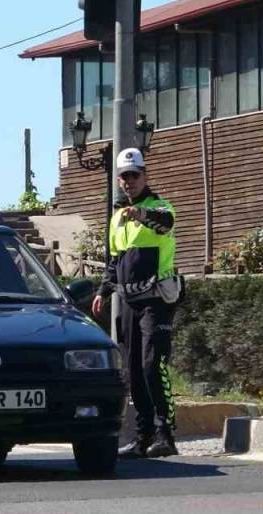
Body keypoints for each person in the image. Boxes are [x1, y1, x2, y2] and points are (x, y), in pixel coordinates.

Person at [92, 148, 181, 460]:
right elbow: (115, 260)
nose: (129, 181)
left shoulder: (159, 206)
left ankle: (165, 435)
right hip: (129, 300)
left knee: (151, 364)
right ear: (118, 180)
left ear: (145, 176)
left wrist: (142, 215)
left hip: (157, 299)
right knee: (132, 368)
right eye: (124, 176)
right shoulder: (117, 217)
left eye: (134, 175)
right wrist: (103, 290)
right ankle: (142, 437)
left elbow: (165, 223)